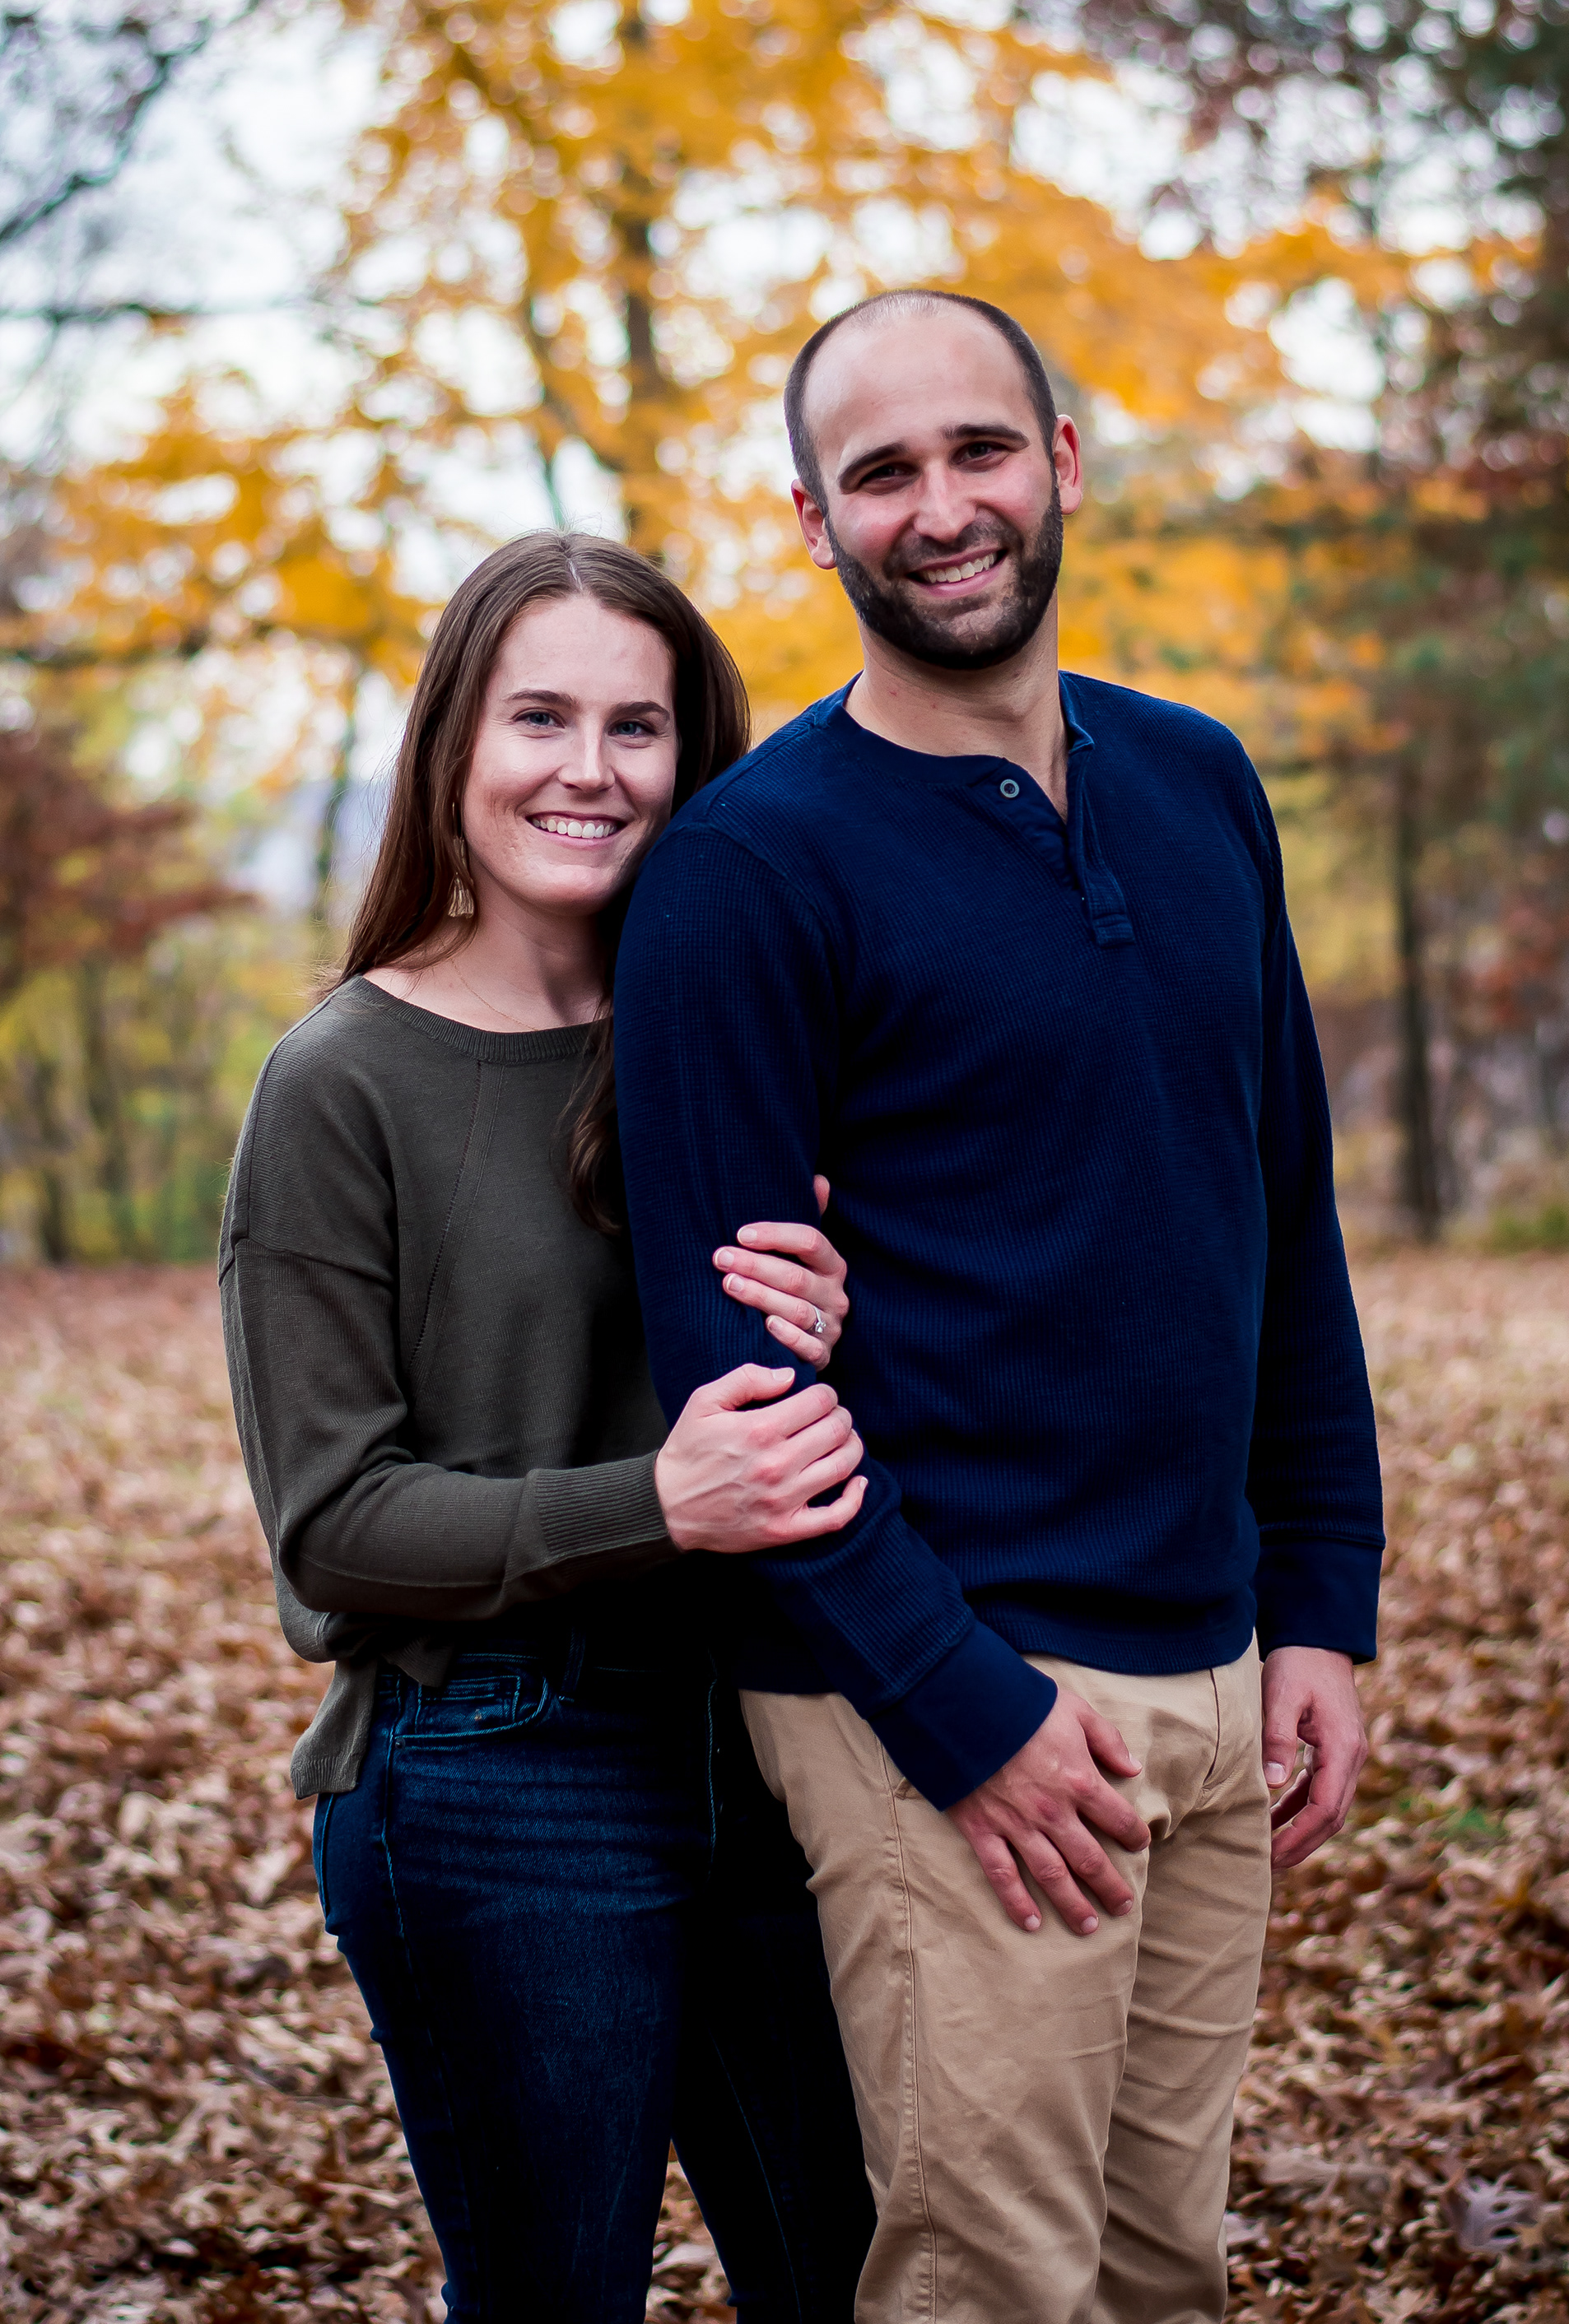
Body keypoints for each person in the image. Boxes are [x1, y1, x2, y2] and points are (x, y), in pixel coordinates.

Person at [612, 289, 1385, 2324]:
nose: (942, 508)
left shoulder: (1201, 783)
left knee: (1160, 2274)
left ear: (1062, 461)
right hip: (944, 1687)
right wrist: (962, 1715)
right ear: (813, 522)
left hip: (1212, 1655)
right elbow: (736, 1387)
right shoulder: (749, 873)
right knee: (991, 2287)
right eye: (881, 473)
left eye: (978, 450)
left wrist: (1323, 1601)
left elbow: (1281, 1221)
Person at [218, 532, 877, 2324]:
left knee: (860, 2283)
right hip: (501, 1766)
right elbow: (332, 1525)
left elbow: (824, 1422)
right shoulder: (340, 1081)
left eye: (636, 727)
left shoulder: (737, 1032)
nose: (590, 769)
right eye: (540, 718)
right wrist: (658, 1501)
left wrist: (848, 1323)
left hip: (780, 1741)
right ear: (454, 741)